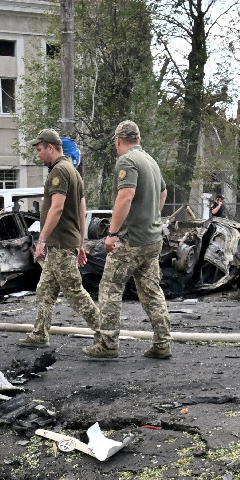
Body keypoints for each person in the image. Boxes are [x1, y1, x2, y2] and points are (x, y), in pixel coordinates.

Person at [87, 119, 173, 360]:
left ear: (117, 140)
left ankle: (107, 344)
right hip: (152, 238)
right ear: (139, 139)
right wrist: (151, 217)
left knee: (110, 287)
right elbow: (163, 192)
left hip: (130, 240)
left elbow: (125, 196)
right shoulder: (150, 161)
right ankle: (162, 342)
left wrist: (112, 233)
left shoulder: (127, 161)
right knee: (151, 290)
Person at [21, 128, 98, 347]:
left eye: (39, 150)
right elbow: (82, 211)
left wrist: (42, 240)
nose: (38, 155)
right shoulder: (73, 171)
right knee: (45, 290)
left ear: (50, 147)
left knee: (74, 292)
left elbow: (57, 208)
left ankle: (105, 331)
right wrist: (81, 244)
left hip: (60, 243)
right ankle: (39, 334)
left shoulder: (59, 172)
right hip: (64, 243)